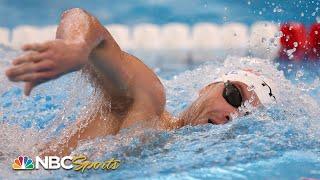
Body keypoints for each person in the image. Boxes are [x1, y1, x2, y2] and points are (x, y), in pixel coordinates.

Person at [5, 8, 278, 156]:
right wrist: (77, 48)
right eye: (234, 96)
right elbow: (81, 18)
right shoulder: (147, 101)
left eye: (245, 116)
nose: (232, 114)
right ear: (207, 87)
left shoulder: (180, 158)